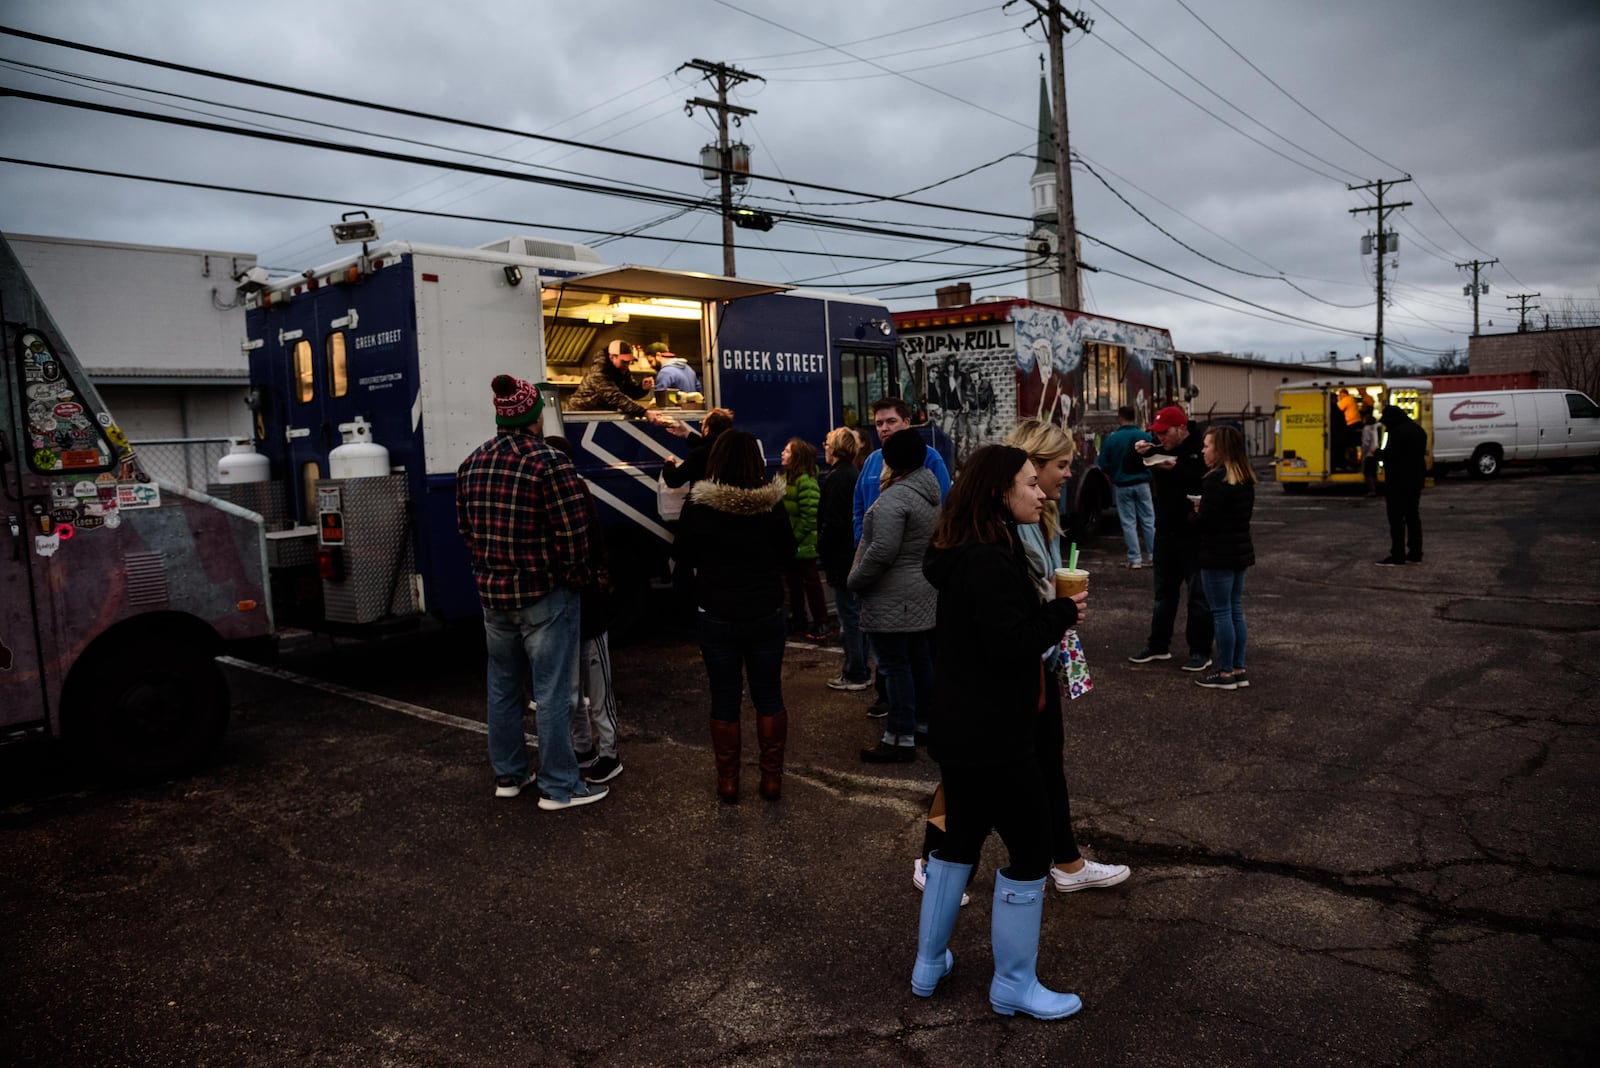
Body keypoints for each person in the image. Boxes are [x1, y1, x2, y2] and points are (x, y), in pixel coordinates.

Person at [914, 445, 1087, 1020]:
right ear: (998, 492)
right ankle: (1014, 984)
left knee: (959, 839)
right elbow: (1012, 644)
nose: (1041, 493)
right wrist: (1063, 614)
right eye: (1029, 483)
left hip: (963, 729)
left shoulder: (970, 549)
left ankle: (928, 963)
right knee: (1033, 849)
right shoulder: (988, 558)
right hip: (994, 733)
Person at [455, 375, 607, 809]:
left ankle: (510, 775)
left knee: (503, 689)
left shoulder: (472, 463)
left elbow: (466, 530)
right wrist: (574, 579)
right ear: (535, 417)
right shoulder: (551, 463)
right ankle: (560, 787)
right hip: (545, 594)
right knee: (554, 692)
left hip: (493, 596)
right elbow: (574, 538)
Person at [1006, 419, 1131, 892]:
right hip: (1016, 663)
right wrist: (1056, 609)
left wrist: (1061, 610)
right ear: (1030, 468)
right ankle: (937, 860)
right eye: (1060, 466)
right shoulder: (1006, 528)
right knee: (977, 773)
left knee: (1045, 761)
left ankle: (1067, 862)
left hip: (1042, 655)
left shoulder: (1044, 518)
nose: (1068, 475)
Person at [673, 430, 796, 802]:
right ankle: (771, 780)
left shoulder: (699, 506)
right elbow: (788, 554)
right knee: (769, 695)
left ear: (716, 461)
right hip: (765, 610)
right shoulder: (771, 506)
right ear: (756, 463)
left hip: (717, 612)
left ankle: (728, 782)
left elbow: (684, 555)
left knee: (724, 697)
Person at [848, 427, 939, 763]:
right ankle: (924, 724)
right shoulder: (928, 491)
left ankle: (898, 738)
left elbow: (882, 551)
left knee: (894, 666)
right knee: (918, 661)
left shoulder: (894, 499)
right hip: (918, 592)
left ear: (891, 462)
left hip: (891, 597)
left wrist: (855, 579)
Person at [545, 435, 624, 784]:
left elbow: (591, 548)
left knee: (582, 686)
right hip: (585, 601)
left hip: (581, 605)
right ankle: (592, 750)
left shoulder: (567, 494)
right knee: (588, 685)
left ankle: (605, 752)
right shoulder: (575, 492)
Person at [1124, 405, 1214, 672]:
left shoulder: (1200, 447)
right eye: (1157, 432)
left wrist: (1172, 468)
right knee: (1163, 593)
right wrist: (1136, 451)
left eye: (1164, 432)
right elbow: (1129, 467)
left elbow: (1201, 475)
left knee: (1198, 596)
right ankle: (1158, 645)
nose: (1160, 437)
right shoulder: (1157, 447)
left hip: (1194, 534)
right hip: (1165, 532)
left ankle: (1200, 651)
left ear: (1181, 428)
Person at [1191, 425, 1256, 691]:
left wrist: (1195, 511)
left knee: (1221, 612)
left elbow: (1205, 522)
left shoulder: (1215, 481)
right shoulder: (1244, 478)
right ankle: (1238, 667)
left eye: (1207, 446)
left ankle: (1225, 671)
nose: (1203, 450)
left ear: (1221, 449)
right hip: (1239, 552)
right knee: (1235, 609)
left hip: (1217, 553)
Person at [819, 427, 870, 691]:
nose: (824, 447)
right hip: (851, 556)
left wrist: (822, 550)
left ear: (836, 447)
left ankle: (855, 672)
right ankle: (861, 669)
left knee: (849, 617)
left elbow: (833, 522)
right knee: (856, 615)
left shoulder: (838, 477)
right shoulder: (853, 474)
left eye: (827, 443)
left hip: (842, 559)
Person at [781, 437, 831, 638]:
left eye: (787, 451)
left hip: (804, 544)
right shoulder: (786, 480)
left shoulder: (805, 482)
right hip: (792, 542)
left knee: (811, 583)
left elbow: (810, 516)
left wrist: (794, 539)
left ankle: (821, 622)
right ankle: (799, 620)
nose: (783, 454)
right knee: (793, 583)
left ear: (797, 457)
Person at [1097, 405, 1156, 568]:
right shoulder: (1145, 436)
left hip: (1122, 485)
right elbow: (1153, 458)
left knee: (1128, 522)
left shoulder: (1112, 439)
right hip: (1142, 483)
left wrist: (1115, 473)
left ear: (1120, 418)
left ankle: (1135, 558)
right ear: (1134, 416)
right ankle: (1153, 556)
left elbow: (1103, 463)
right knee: (1148, 520)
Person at [1375, 404, 1427, 566]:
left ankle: (1398, 555)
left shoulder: (1395, 432)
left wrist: (1377, 454)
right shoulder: (1419, 430)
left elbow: (1390, 455)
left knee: (1396, 519)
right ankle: (1415, 553)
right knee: (1413, 516)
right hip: (1416, 480)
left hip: (1397, 481)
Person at [568, 339, 668, 423]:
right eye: (623, 361)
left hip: (600, 415)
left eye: (629, 362)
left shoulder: (622, 369)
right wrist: (644, 412)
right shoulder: (599, 371)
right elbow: (614, 397)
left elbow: (629, 392)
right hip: (581, 416)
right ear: (612, 357)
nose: (626, 365)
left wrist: (641, 388)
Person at [660, 407, 734, 489]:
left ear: (707, 429)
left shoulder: (700, 454)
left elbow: (673, 480)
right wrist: (687, 434)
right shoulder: (734, 449)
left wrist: (669, 463)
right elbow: (710, 444)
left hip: (703, 500)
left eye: (702, 423)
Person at [1360, 406, 1381, 497]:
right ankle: (1376, 489)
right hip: (1375, 452)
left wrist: (1363, 453)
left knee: (1368, 474)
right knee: (1373, 473)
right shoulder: (1375, 428)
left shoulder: (1366, 429)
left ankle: (1371, 490)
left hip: (1368, 454)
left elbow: (1365, 442)